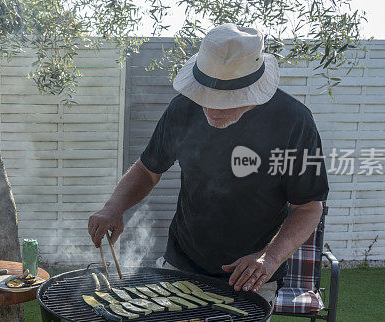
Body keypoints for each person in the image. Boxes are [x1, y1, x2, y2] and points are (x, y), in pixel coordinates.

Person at [87, 23, 329, 316]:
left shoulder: (295, 123)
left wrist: (269, 258)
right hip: (181, 262)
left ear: (254, 93)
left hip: (250, 276)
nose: (213, 109)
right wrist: (115, 206)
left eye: (226, 102)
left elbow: (308, 207)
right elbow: (147, 170)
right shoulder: (183, 108)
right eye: (206, 98)